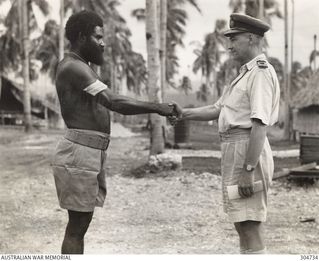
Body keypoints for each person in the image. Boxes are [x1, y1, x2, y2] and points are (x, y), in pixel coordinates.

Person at [51, 10, 176, 254]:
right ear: (80, 37)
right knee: (77, 226)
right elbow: (113, 101)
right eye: (98, 37)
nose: (103, 43)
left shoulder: (81, 66)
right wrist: (159, 108)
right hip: (80, 153)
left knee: (80, 224)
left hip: (89, 152)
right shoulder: (73, 67)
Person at [170, 13, 280, 254]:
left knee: (249, 224)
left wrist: (248, 171)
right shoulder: (245, 74)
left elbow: (260, 125)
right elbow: (217, 108)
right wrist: (183, 114)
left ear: (251, 38)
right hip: (236, 149)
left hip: (247, 149)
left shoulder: (260, 72)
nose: (229, 46)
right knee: (243, 223)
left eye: (234, 39)